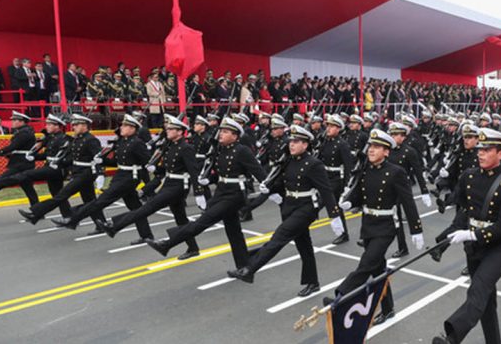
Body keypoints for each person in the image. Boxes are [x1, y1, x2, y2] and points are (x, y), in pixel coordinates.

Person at [431, 128, 501, 344]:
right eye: (480, 149)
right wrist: (445, 240)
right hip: (474, 248)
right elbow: (464, 212)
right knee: (486, 301)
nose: (481, 153)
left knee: (478, 288)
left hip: (500, 248)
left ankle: (452, 336)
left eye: (488, 149)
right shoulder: (468, 176)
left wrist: (470, 235)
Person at [227, 125, 342, 297]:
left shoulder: (314, 164)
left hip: (306, 208)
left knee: (279, 237)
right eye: (291, 141)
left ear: (305, 144)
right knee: (304, 245)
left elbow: (325, 190)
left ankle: (249, 269)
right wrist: (270, 189)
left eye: (296, 142)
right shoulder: (288, 161)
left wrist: (334, 215)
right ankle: (313, 282)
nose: (292, 145)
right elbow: (282, 182)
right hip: (289, 206)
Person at [329, 129, 424, 325]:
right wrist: (351, 202)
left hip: (385, 227)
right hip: (368, 225)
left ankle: (341, 295)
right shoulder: (364, 169)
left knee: (367, 263)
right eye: (371, 146)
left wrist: (416, 229)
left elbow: (408, 202)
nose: (372, 150)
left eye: (377, 147)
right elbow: (360, 194)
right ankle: (388, 309)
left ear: (387, 151)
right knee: (378, 268)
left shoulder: (396, 172)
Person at [145, 117, 266, 270]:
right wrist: (207, 180)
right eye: (221, 131)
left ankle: (167, 243)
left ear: (235, 136)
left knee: (204, 221)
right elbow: (220, 174)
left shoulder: (243, 151)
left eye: (226, 132)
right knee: (233, 231)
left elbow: (259, 172)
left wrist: (271, 191)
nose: (221, 134)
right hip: (222, 192)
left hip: (234, 194)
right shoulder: (220, 149)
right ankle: (244, 265)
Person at [98, 116, 201, 260]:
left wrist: (198, 192)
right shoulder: (170, 146)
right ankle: (193, 248)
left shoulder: (186, 148)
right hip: (169, 183)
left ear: (180, 132)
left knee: (147, 208)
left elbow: (194, 171)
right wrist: (155, 169)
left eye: (171, 129)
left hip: (178, 187)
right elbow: (165, 171)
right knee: (181, 219)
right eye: (168, 128)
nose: (168, 130)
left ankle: (114, 226)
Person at [51, 115, 153, 246]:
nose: (121, 128)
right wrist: (103, 160)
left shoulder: (137, 143)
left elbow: (147, 160)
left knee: (101, 200)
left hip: (129, 178)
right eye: (122, 125)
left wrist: (154, 169)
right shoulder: (122, 142)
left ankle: (73, 219)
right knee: (135, 207)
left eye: (124, 126)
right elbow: (116, 161)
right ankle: (146, 235)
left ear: (133, 128)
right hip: (121, 175)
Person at [18, 114, 107, 234]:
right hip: (77, 172)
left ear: (84, 126)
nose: (73, 126)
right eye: (73, 124)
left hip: (86, 174)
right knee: (89, 200)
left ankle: (36, 213)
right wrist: (58, 162)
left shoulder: (91, 140)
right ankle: (101, 224)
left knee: (61, 195)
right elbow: (71, 158)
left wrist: (100, 173)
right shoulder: (76, 139)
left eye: (76, 124)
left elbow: (99, 158)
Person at [386, 122, 432, 258]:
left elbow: (417, 172)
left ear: (404, 136)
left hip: (402, 187)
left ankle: (402, 247)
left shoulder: (409, 152)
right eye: (392, 134)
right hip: (388, 186)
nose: (394, 137)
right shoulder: (387, 149)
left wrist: (424, 191)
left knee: (396, 216)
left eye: (397, 135)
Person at [317, 115, 354, 245]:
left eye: (332, 126)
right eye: (328, 125)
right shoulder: (325, 141)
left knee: (326, 204)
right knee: (333, 207)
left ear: (338, 129)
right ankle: (343, 233)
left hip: (336, 179)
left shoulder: (342, 144)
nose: (329, 128)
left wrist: (347, 185)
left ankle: (343, 233)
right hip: (325, 177)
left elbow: (349, 166)